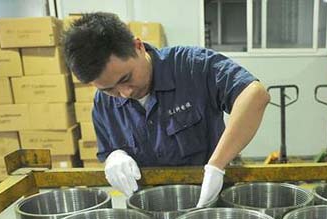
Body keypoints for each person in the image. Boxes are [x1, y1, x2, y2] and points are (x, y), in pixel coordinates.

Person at [63, 12, 270, 206]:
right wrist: (114, 157)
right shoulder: (103, 103)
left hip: (209, 203)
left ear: (138, 46)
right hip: (150, 211)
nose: (124, 93)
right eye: (109, 89)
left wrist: (216, 166)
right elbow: (108, 149)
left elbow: (254, 95)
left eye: (126, 78)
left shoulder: (192, 67)